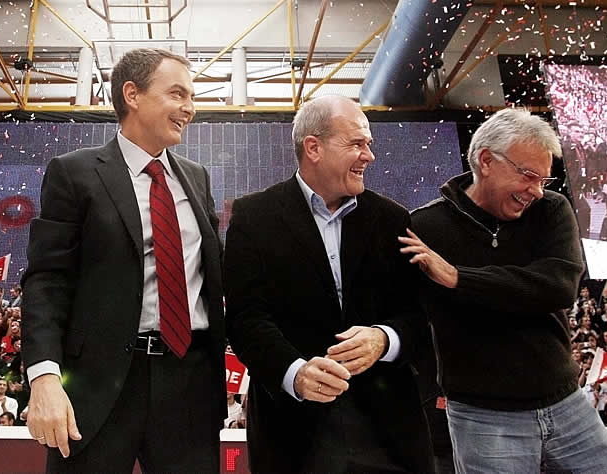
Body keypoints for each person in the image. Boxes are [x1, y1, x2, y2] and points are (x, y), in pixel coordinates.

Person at [21, 48, 226, 473]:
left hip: (188, 384)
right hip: (96, 388)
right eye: (177, 94)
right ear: (132, 94)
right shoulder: (73, 174)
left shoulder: (197, 177)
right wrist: (43, 377)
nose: (190, 107)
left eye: (192, 96)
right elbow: (46, 281)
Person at [399, 108, 607, 473]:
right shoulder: (424, 227)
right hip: (482, 418)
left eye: (544, 180)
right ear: (486, 160)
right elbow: (408, 315)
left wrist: (459, 278)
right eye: (529, 176)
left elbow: (558, 287)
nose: (536, 191)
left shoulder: (552, 209)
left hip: (567, 404)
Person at [224, 95, 434, 473]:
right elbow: (245, 318)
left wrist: (384, 339)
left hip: (389, 428)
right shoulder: (253, 218)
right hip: (293, 429)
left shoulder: (393, 220)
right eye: (356, 143)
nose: (368, 155)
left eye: (368, 143)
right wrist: (295, 372)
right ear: (313, 147)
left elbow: (419, 316)